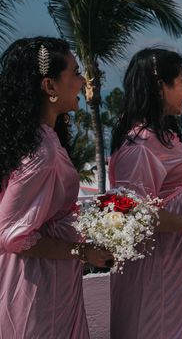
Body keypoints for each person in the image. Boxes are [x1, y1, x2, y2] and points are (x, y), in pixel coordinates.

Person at [109, 48, 182, 338]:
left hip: (181, 254)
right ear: (161, 86)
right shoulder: (141, 144)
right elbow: (135, 212)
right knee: (160, 323)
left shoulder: (165, 135)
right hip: (159, 260)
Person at [0, 37, 112, 338]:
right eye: (75, 73)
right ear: (49, 86)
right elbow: (11, 234)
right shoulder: (41, 153)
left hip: (51, 282)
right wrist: (84, 252)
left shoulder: (38, 141)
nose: (82, 80)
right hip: (35, 287)